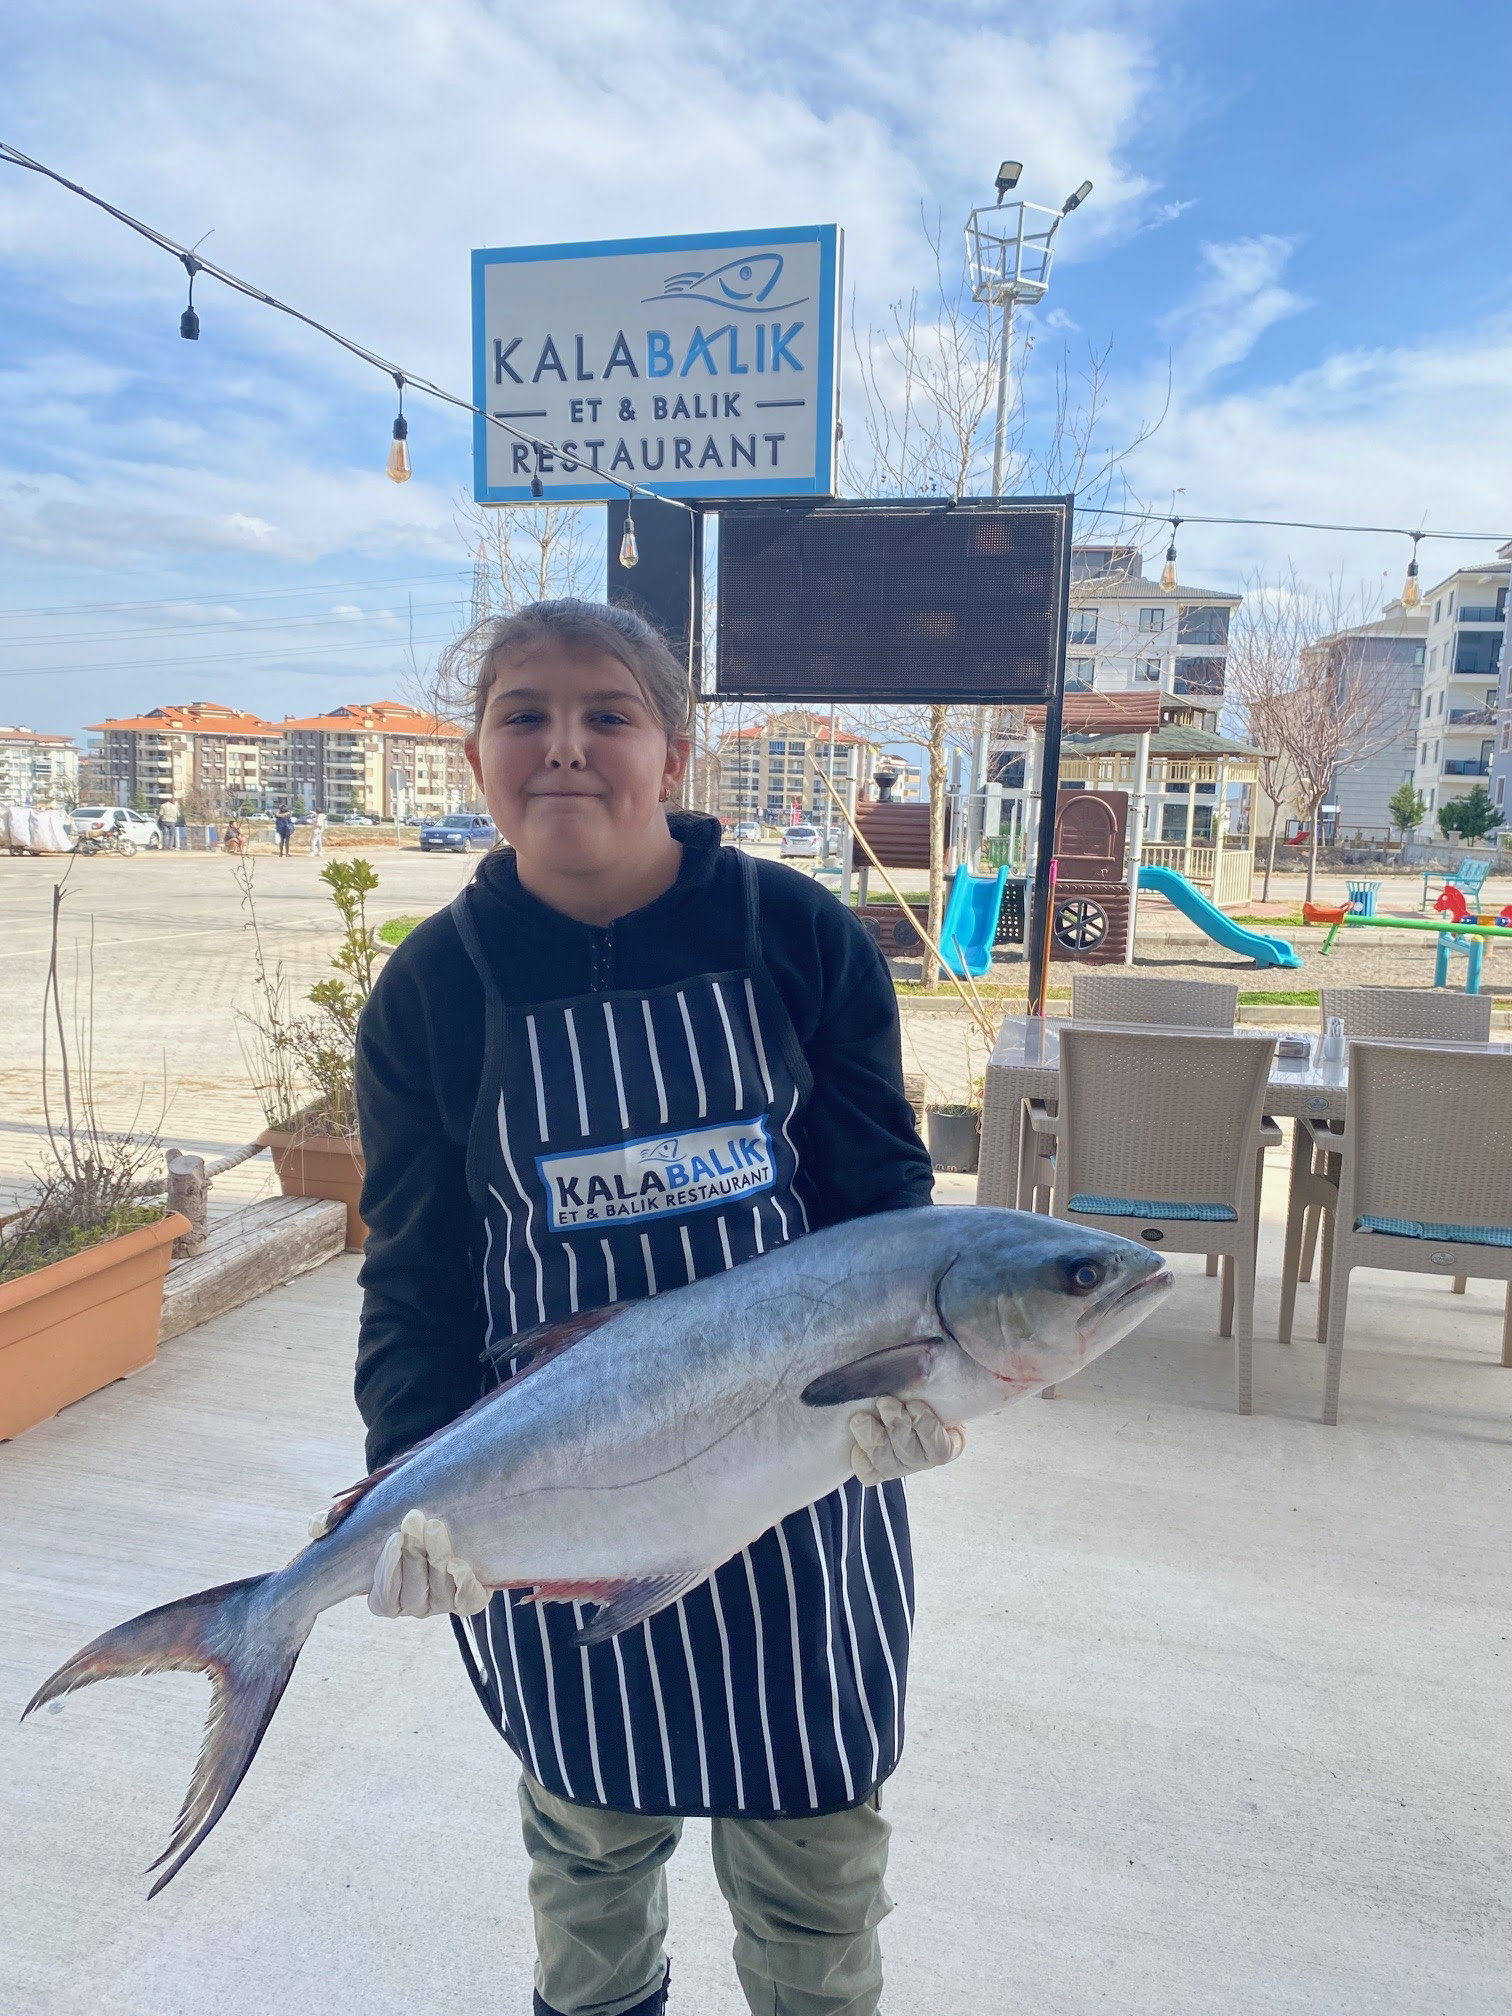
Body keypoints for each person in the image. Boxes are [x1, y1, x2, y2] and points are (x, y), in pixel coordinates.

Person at [353, 600, 959, 2016]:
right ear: (477, 757)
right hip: (559, 1492)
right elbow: (419, 1276)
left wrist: (921, 1382)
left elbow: (885, 1206)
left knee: (817, 1869)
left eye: (607, 715)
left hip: (799, 1488)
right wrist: (407, 1485)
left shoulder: (795, 936)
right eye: (525, 716)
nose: (565, 746)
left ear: (674, 754)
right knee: (589, 1857)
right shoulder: (432, 991)